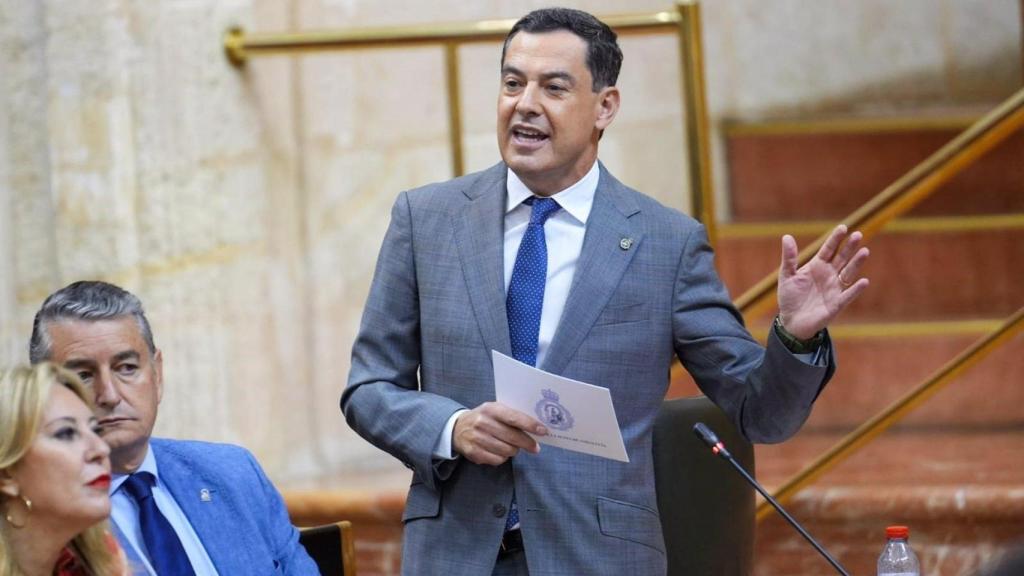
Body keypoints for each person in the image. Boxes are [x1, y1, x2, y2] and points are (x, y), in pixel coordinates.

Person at [342, 7, 870, 575]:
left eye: (554, 87)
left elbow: (761, 414)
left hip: (598, 558)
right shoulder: (426, 220)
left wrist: (794, 336)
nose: (525, 104)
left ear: (605, 107)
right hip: (456, 554)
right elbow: (369, 388)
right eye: (513, 83)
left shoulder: (665, 243)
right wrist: (452, 427)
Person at [29, 281, 318, 576]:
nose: (110, 395)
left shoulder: (234, 474)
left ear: (158, 374)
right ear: (44, 393)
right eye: (83, 375)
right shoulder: (44, 521)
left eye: (126, 367)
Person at [0, 362, 125, 576]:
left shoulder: (104, 562)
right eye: (66, 433)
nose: (102, 449)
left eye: (96, 430)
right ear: (7, 475)